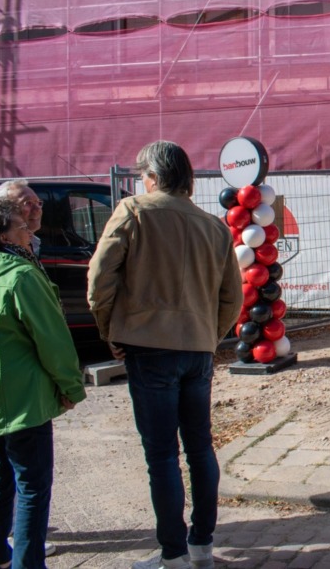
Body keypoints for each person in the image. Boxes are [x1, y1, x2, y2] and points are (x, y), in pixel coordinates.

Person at [87, 141, 243, 569]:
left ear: (152, 177)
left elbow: (100, 278)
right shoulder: (213, 226)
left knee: (161, 455)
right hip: (196, 347)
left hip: (149, 346)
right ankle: (202, 546)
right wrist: (209, 335)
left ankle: (173, 553)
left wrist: (109, 329)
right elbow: (233, 296)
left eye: (142, 176)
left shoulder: (135, 211)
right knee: (200, 448)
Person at [0, 199, 86, 569]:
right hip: (23, 400)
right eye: (21, 226)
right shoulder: (20, 275)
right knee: (32, 486)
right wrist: (71, 387)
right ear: (3, 235)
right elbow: (52, 338)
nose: (29, 231)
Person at [0, 179, 44, 257]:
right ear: (4, 210)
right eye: (28, 203)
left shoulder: (34, 243)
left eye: (38, 202)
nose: (37, 209)